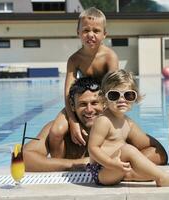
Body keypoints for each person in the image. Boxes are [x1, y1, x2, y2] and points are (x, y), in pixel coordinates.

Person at [24, 77, 168, 172]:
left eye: (94, 103)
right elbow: (24, 157)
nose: (89, 110)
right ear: (72, 107)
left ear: (104, 103)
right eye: (82, 104)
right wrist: (76, 164)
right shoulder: (58, 129)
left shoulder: (120, 125)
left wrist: (118, 165)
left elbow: (159, 152)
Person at [87, 69, 169, 186]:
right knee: (127, 149)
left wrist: (135, 161)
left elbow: (155, 150)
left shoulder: (127, 123)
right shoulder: (103, 120)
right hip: (102, 170)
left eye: (128, 95)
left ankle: (132, 175)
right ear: (104, 98)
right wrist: (111, 163)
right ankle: (162, 178)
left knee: (149, 162)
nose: (121, 99)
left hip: (117, 168)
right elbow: (93, 148)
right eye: (114, 95)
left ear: (135, 98)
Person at [49, 7, 119, 155]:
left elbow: (114, 91)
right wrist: (73, 121)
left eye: (96, 31)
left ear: (104, 34)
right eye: (86, 30)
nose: (91, 35)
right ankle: (58, 166)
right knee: (56, 132)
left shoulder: (109, 57)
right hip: (83, 104)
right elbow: (68, 92)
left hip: (103, 105)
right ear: (78, 33)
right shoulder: (74, 59)